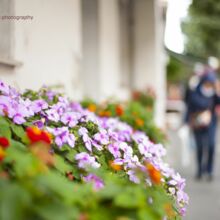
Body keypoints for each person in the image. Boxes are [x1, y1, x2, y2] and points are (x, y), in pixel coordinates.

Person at [187, 71, 220, 180]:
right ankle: (200, 170)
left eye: (210, 84)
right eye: (207, 83)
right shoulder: (195, 92)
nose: (208, 86)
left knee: (211, 145)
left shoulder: (214, 93)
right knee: (200, 146)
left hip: (211, 123)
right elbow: (190, 106)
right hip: (198, 122)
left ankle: (209, 170)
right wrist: (187, 121)